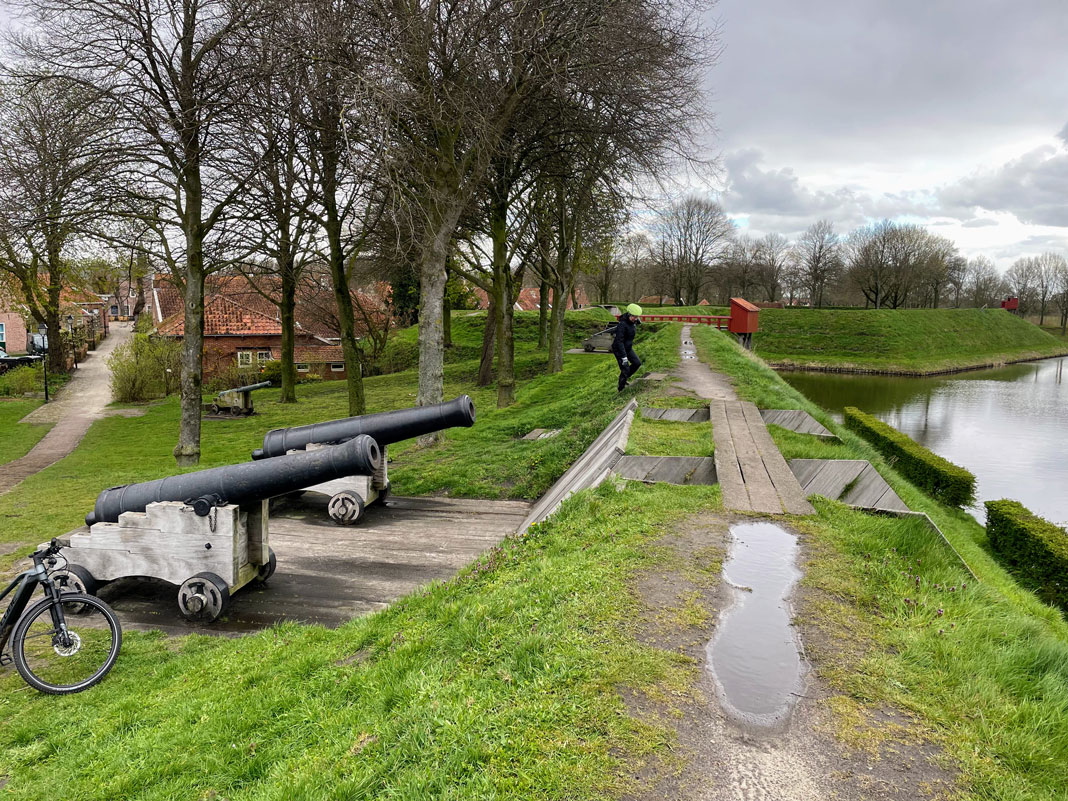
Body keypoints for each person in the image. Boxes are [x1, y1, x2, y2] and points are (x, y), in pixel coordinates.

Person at [612, 303, 643, 392]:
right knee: (625, 368)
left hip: (628, 347)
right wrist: (624, 357)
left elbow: (634, 323)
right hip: (619, 349)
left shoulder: (633, 322)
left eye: (637, 317)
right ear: (629, 314)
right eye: (634, 317)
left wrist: (637, 321)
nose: (635, 319)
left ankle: (624, 378)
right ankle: (620, 389)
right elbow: (619, 342)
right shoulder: (622, 325)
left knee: (637, 363)